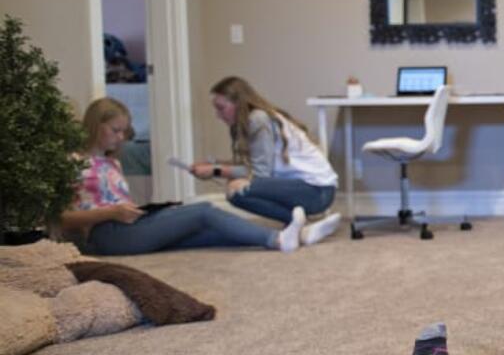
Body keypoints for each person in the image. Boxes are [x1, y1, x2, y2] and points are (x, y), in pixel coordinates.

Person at [60, 98, 308, 255]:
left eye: (124, 131)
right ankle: (276, 240)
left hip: (127, 225)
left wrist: (131, 211)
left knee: (205, 231)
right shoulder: (73, 162)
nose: (121, 137)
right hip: (104, 234)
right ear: (95, 125)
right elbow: (62, 219)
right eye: (115, 130)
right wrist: (111, 213)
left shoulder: (112, 162)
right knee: (204, 211)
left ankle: (297, 236)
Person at [192, 76, 341, 243]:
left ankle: (302, 224)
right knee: (236, 186)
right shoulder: (256, 118)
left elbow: (260, 173)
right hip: (314, 189)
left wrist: (216, 171)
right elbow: (253, 165)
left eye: (221, 108)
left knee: (235, 190)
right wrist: (213, 165)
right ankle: (302, 226)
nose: (218, 115)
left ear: (238, 103)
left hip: (317, 191)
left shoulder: (258, 119)